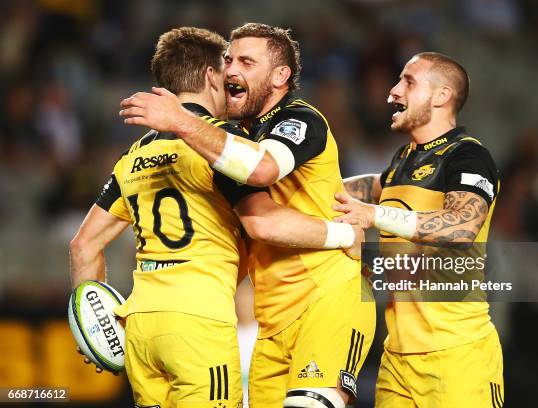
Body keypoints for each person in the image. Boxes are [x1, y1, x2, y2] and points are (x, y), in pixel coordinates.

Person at [70, 27, 364, 408]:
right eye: (228, 64)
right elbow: (262, 218)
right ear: (212, 76)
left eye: (244, 62)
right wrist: (346, 233)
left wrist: (91, 327)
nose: (231, 75)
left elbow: (83, 245)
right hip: (200, 320)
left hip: (141, 324)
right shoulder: (222, 146)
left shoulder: (132, 157)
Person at [333, 52, 504, 407]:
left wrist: (373, 215)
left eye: (408, 81)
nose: (393, 91)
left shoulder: (468, 157)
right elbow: (367, 187)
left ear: (441, 96)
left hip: (457, 355)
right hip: (397, 359)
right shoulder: (404, 159)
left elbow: (462, 227)